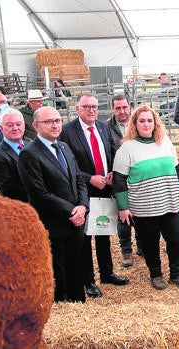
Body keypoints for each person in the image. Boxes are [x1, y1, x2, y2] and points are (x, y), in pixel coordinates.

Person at [113, 105, 179, 291]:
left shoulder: (165, 142)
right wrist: (123, 207)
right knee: (150, 243)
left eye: (150, 120)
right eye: (142, 121)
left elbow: (176, 169)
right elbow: (119, 179)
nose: (146, 124)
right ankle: (156, 274)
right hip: (144, 207)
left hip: (170, 201)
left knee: (176, 240)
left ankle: (177, 274)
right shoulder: (127, 148)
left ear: (156, 123)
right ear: (134, 124)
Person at [59, 94, 129, 299]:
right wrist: (89, 178)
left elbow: (111, 152)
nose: (91, 110)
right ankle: (88, 280)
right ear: (77, 108)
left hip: (105, 189)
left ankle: (107, 273)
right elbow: (66, 164)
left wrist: (112, 172)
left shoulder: (103, 127)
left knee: (103, 231)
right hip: (84, 191)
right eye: (87, 107)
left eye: (95, 107)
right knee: (85, 237)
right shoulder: (68, 131)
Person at [18, 106, 88, 303]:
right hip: (53, 222)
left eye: (57, 120)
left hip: (76, 220)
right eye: (49, 122)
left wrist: (83, 206)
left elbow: (78, 179)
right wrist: (71, 210)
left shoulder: (64, 147)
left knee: (76, 263)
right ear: (36, 126)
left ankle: (78, 302)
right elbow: (39, 193)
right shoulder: (29, 154)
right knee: (58, 266)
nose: (55, 125)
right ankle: (61, 303)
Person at [107, 94, 142, 266]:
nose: (122, 111)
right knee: (123, 214)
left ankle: (142, 246)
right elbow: (107, 151)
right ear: (113, 109)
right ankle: (126, 252)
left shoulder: (139, 123)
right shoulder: (106, 127)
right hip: (120, 176)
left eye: (124, 107)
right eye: (118, 108)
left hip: (138, 175)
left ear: (130, 107)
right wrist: (110, 170)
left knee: (142, 212)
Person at [0, 109, 28, 201]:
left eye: (18, 124)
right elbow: (8, 190)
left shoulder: (31, 146)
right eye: (10, 125)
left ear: (24, 126)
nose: (15, 128)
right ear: (1, 128)